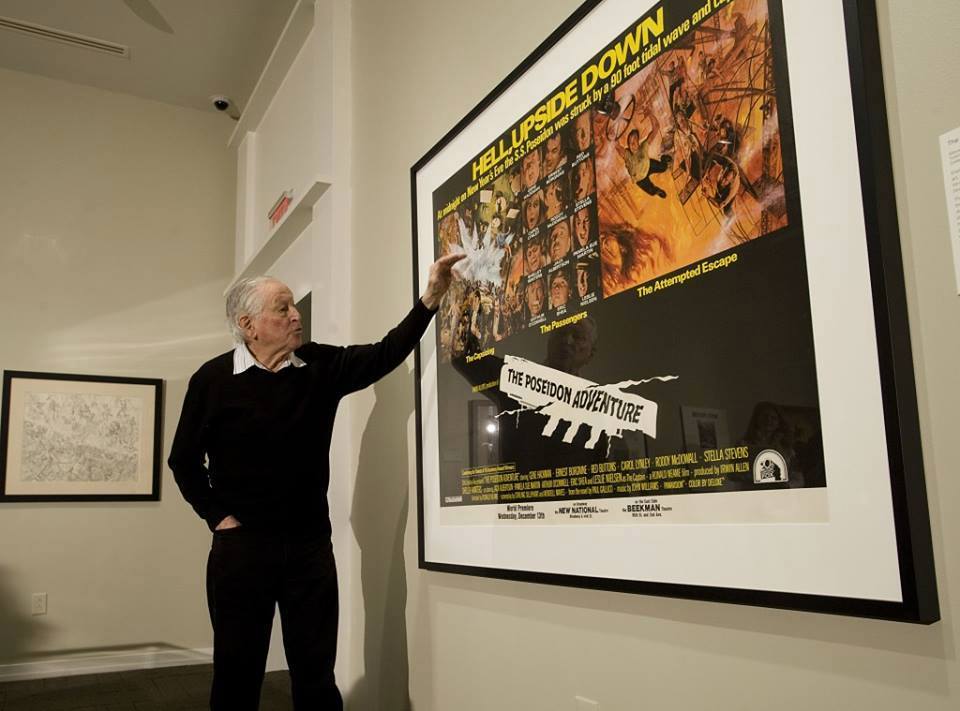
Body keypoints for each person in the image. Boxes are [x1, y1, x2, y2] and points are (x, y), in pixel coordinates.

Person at [168, 253, 464, 711]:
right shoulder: (212, 380)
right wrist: (219, 517)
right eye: (282, 308)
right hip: (241, 549)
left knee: (315, 674)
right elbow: (183, 461)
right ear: (248, 325)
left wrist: (431, 298)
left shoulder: (318, 367)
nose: (296, 314)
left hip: (308, 548)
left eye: (293, 306)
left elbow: (384, 353)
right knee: (237, 673)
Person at [616, 111, 672, 198]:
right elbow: (617, 146)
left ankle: (664, 158)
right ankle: (657, 191)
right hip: (641, 179)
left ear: (638, 142)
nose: (631, 145)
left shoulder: (643, 147)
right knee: (652, 191)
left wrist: (649, 113)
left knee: (664, 167)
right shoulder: (627, 155)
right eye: (630, 143)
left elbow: (656, 127)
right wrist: (614, 133)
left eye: (634, 142)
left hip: (649, 165)